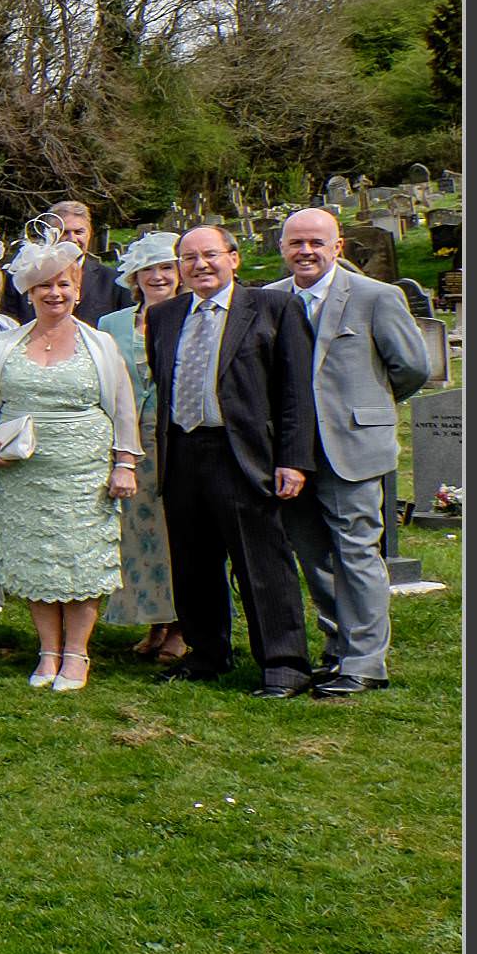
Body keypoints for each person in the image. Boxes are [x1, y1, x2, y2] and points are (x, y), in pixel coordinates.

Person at [147, 225, 318, 697]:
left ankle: (284, 665)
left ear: (234, 258)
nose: (200, 265)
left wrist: (293, 460)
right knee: (192, 562)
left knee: (261, 562)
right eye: (188, 258)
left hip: (242, 454)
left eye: (210, 255)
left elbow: (295, 391)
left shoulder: (273, 308)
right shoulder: (164, 316)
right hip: (182, 452)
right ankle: (206, 653)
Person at [0, 240, 142, 691]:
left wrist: (124, 463)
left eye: (63, 284)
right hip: (24, 471)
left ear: (77, 291)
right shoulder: (6, 344)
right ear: (29, 292)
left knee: (81, 563)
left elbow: (124, 407)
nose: (54, 293)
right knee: (37, 562)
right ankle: (48, 652)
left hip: (84, 472)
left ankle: (77, 654)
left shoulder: (99, 344)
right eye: (44, 285)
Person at [275, 206, 429, 697]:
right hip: (292, 454)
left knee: (356, 552)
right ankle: (337, 647)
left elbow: (411, 367)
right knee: (314, 556)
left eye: (317, 243)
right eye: (296, 243)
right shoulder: (268, 300)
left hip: (353, 449)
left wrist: (368, 409)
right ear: (283, 249)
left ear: (337, 247)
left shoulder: (375, 297)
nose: (306, 251)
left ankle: (365, 662)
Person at [97, 233, 186, 664]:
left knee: (179, 534)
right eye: (148, 269)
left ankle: (182, 625)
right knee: (138, 537)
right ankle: (154, 620)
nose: (158, 276)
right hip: (129, 444)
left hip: (179, 439)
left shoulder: (192, 314)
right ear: (134, 276)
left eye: (167, 267)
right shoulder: (112, 324)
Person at [3, 200, 132, 325]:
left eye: (79, 232)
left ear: (90, 233)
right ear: (49, 234)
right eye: (64, 232)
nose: (72, 239)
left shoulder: (113, 280)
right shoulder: (22, 277)